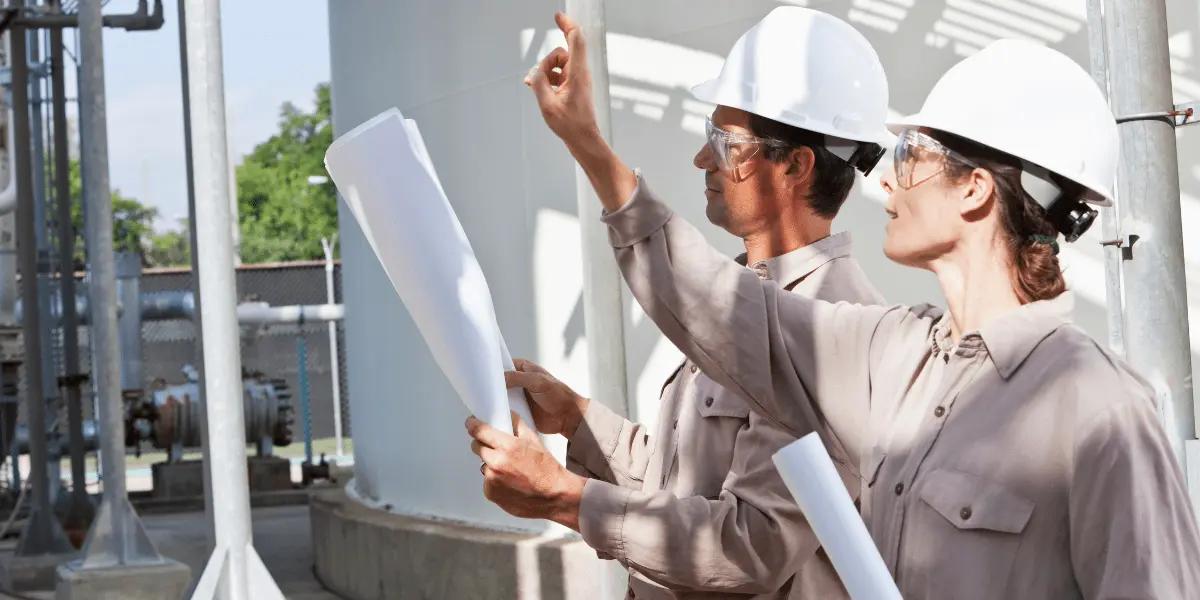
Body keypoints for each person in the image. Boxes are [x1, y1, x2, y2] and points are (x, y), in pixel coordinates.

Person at [476, 12, 1200, 600]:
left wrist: (564, 499)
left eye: (912, 155)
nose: (885, 184)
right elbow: (714, 306)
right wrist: (592, 151)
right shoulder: (893, 355)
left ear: (976, 188)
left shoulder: (1100, 410)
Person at [470, 7, 887, 598]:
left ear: (795, 165)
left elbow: (748, 547)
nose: (701, 158)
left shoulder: (834, 330)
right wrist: (576, 419)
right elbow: (684, 476)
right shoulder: (750, 298)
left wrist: (565, 499)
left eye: (726, 142)